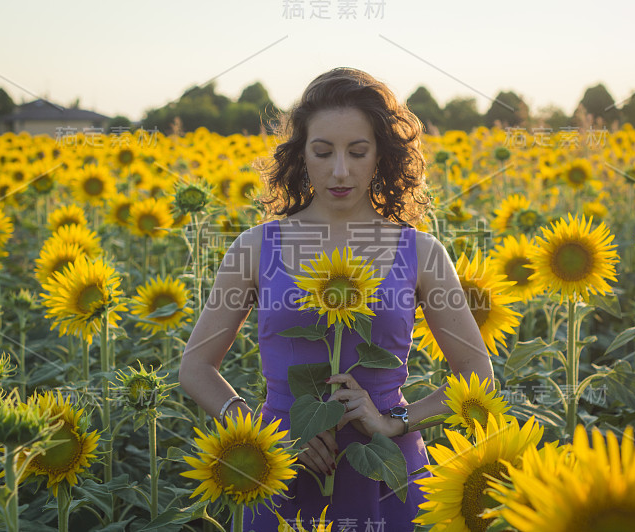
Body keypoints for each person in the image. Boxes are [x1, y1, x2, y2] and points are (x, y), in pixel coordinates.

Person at [179, 67, 493, 532]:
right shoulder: (254, 247)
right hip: (281, 467)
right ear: (301, 155)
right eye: (323, 152)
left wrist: (396, 421)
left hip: (388, 470)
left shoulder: (422, 252)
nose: (340, 170)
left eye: (358, 152)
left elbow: (478, 378)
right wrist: (264, 437)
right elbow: (195, 369)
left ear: (381, 156)